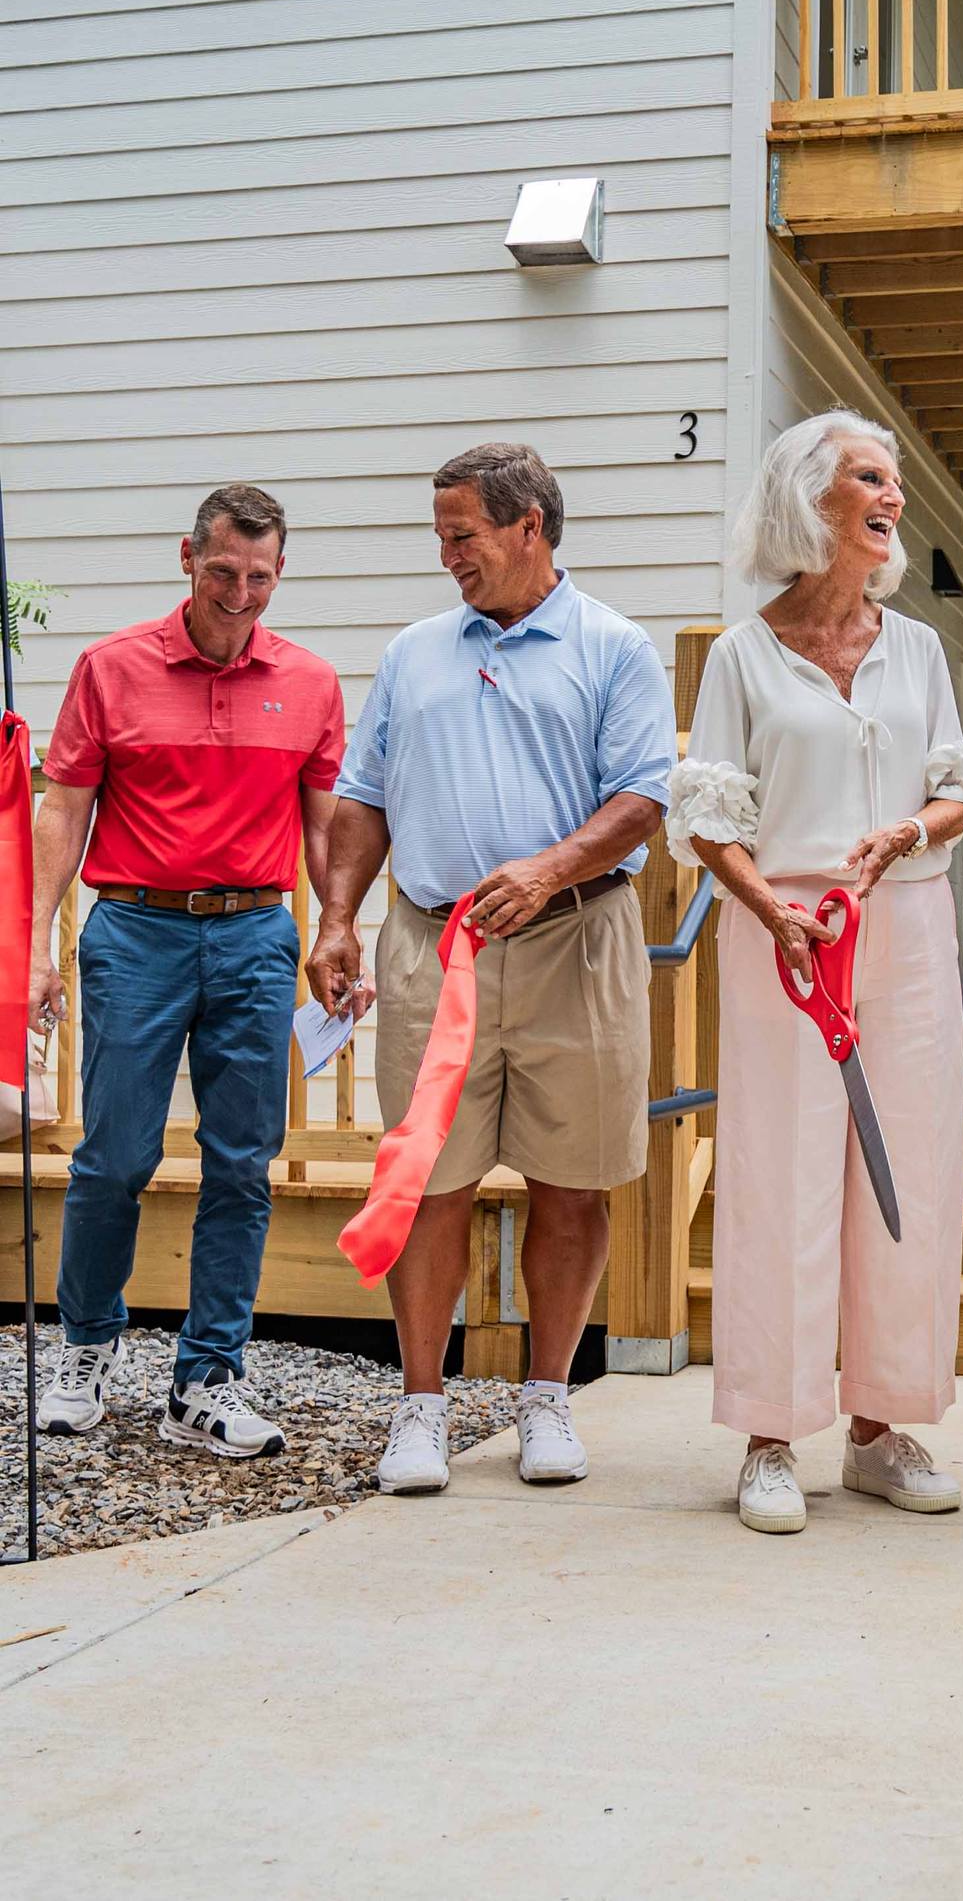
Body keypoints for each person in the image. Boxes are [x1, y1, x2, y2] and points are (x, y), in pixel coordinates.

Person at [306, 443, 673, 1495]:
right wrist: (337, 918)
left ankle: (546, 1400)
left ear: (529, 527)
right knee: (428, 1180)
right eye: (441, 538)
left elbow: (643, 797)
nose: (448, 556)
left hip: (578, 941)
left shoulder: (612, 647)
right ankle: (420, 1408)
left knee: (574, 1181)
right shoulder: (414, 651)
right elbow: (363, 797)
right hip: (431, 943)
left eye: (462, 535)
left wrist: (552, 864)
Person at [674, 409, 963, 1535]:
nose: (889, 493)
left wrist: (908, 834)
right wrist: (769, 909)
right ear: (812, 500)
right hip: (783, 934)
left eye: (893, 477)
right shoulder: (742, 657)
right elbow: (709, 812)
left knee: (905, 1164)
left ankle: (878, 1427)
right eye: (867, 475)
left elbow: (955, 788)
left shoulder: (920, 650)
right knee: (781, 1170)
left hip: (902, 926)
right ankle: (770, 1432)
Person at [30, 485, 346, 1457]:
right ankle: (83, 1348)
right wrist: (36, 945)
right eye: (222, 573)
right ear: (185, 558)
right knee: (111, 1159)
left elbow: (325, 824)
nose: (240, 595)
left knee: (241, 1166)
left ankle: (206, 1379)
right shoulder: (109, 669)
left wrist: (337, 926)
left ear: (279, 571)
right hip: (134, 931)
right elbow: (62, 811)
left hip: (255, 935)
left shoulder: (312, 679)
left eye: (259, 577)